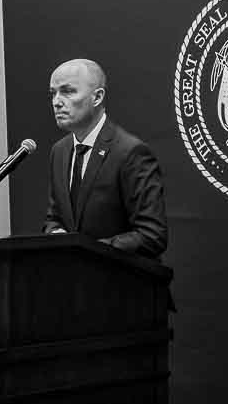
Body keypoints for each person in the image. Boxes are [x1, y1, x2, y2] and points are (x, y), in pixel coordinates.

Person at [42, 58, 168, 257]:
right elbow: (54, 218)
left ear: (97, 97)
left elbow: (152, 235)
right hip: (72, 282)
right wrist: (55, 233)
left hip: (120, 282)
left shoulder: (130, 152)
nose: (57, 102)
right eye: (53, 93)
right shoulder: (59, 151)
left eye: (68, 91)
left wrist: (89, 251)